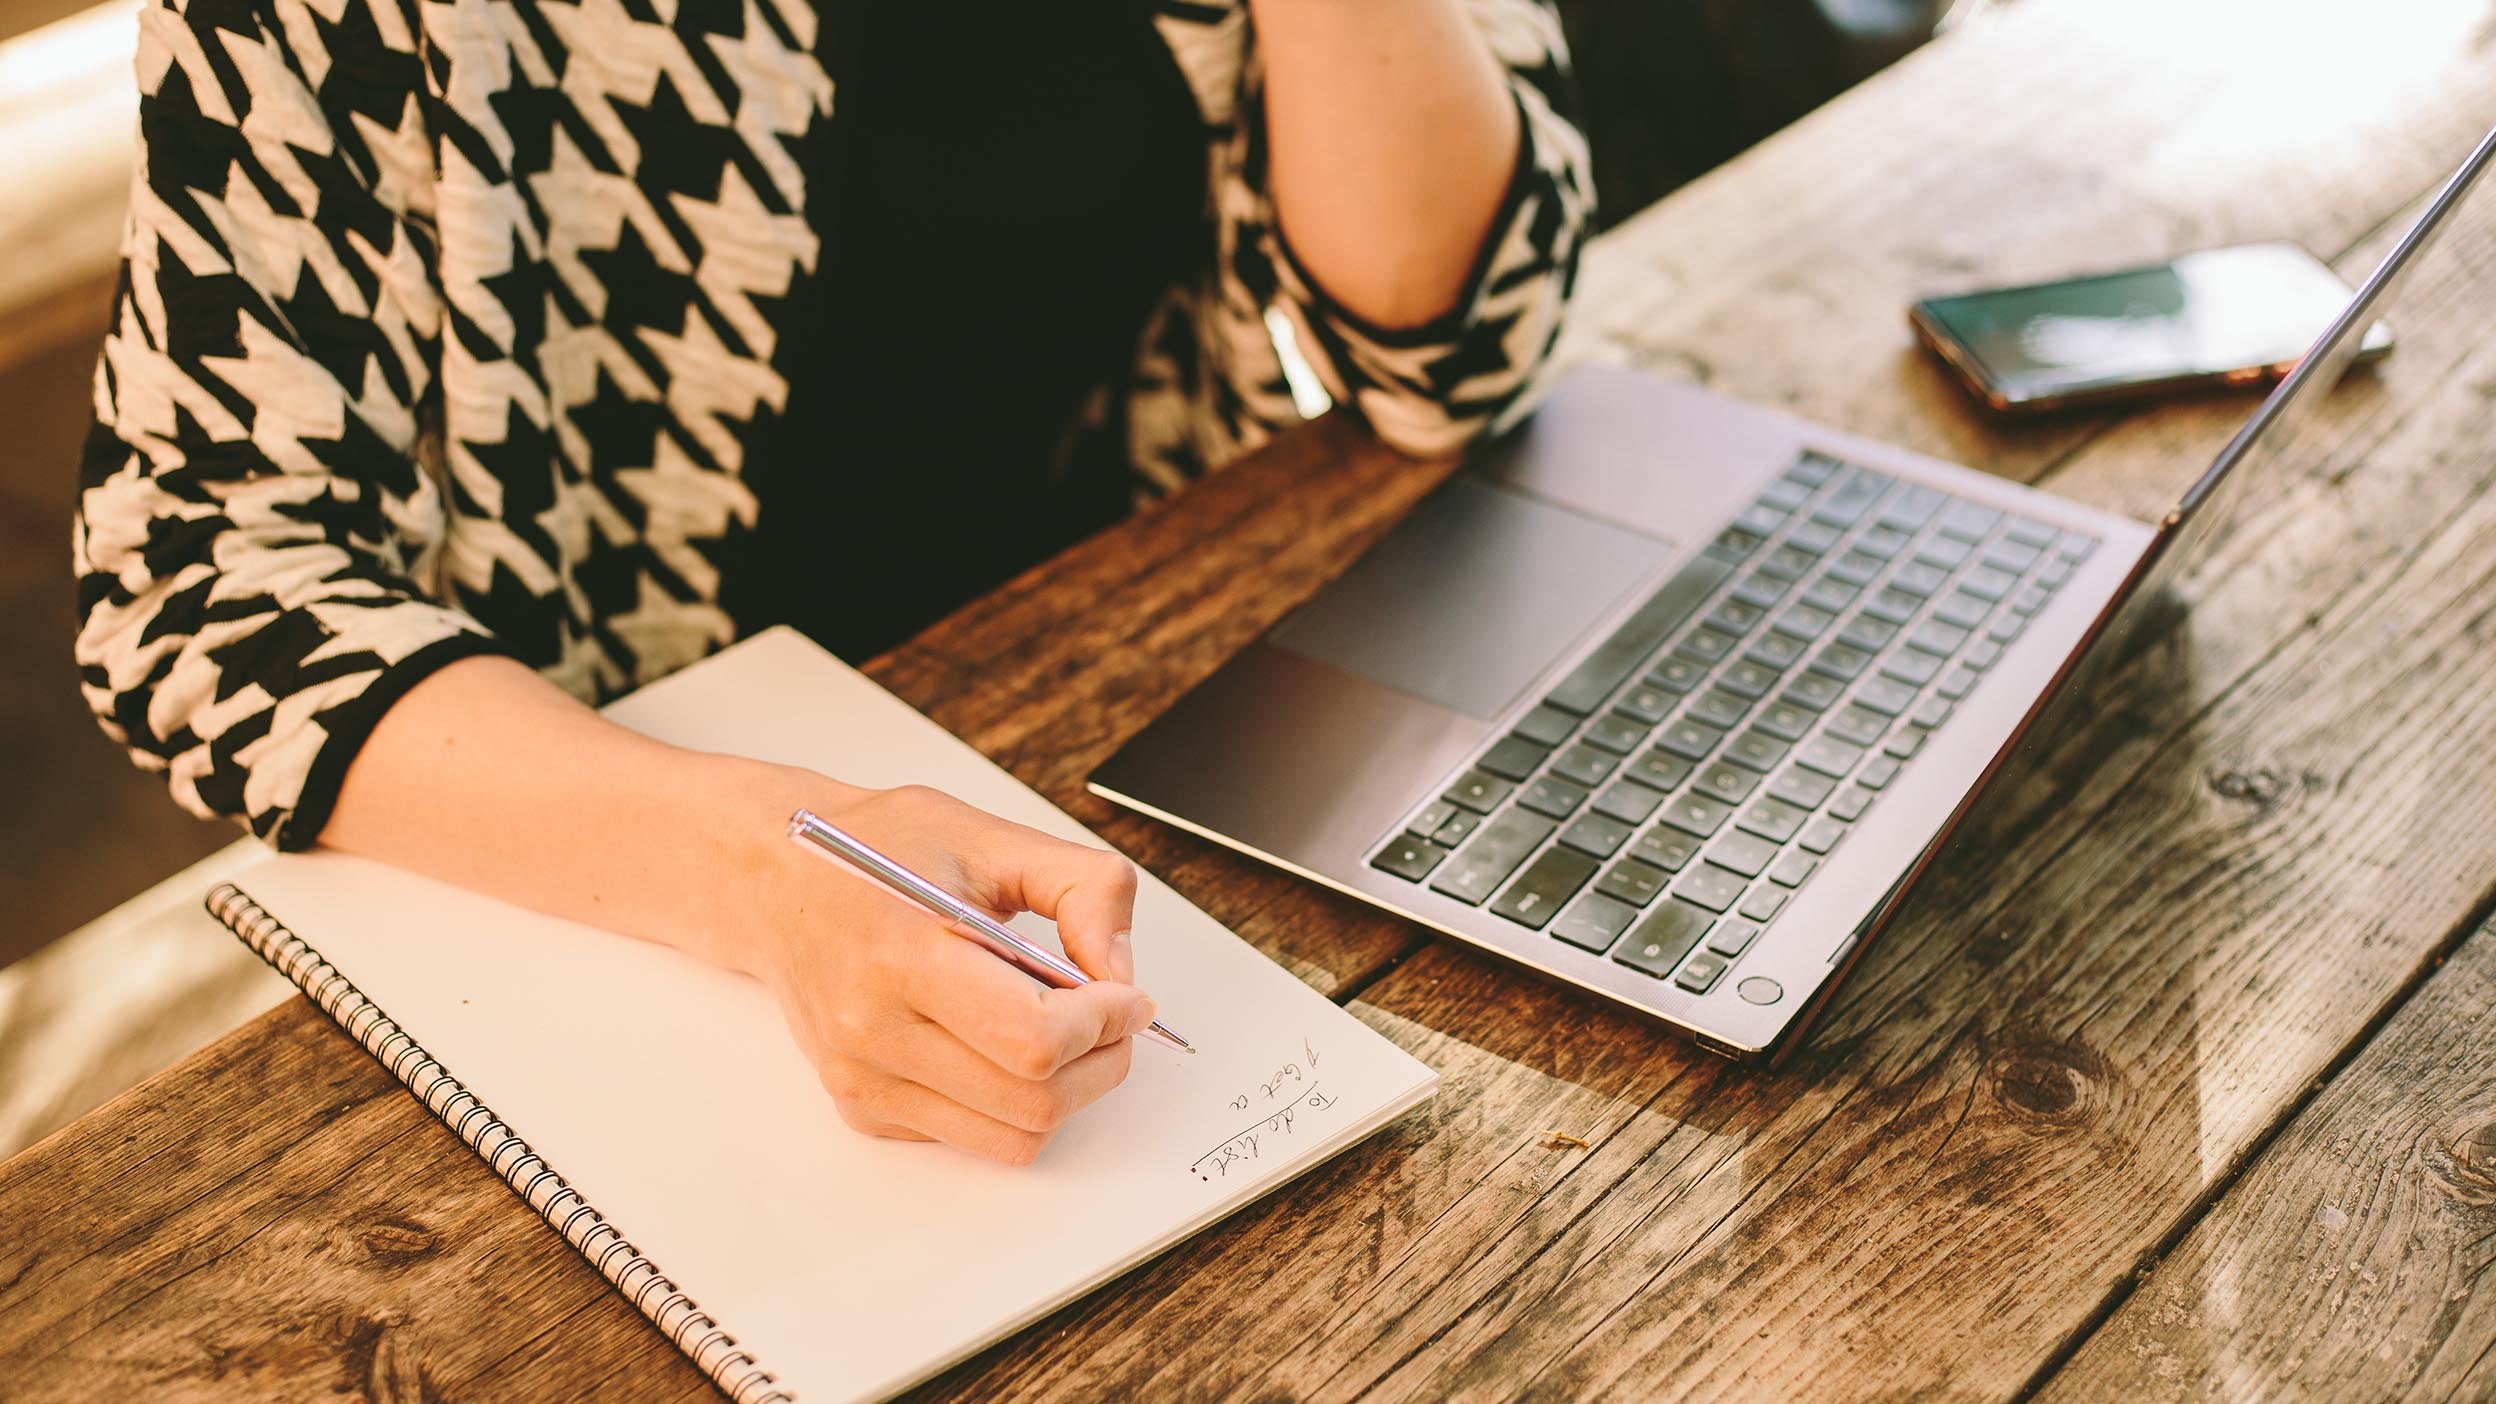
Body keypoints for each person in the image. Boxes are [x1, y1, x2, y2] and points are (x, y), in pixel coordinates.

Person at [72, 0, 1593, 1163]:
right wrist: (765, 869)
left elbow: (1462, 351)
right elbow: (194, 578)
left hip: (1099, 742)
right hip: (584, 848)